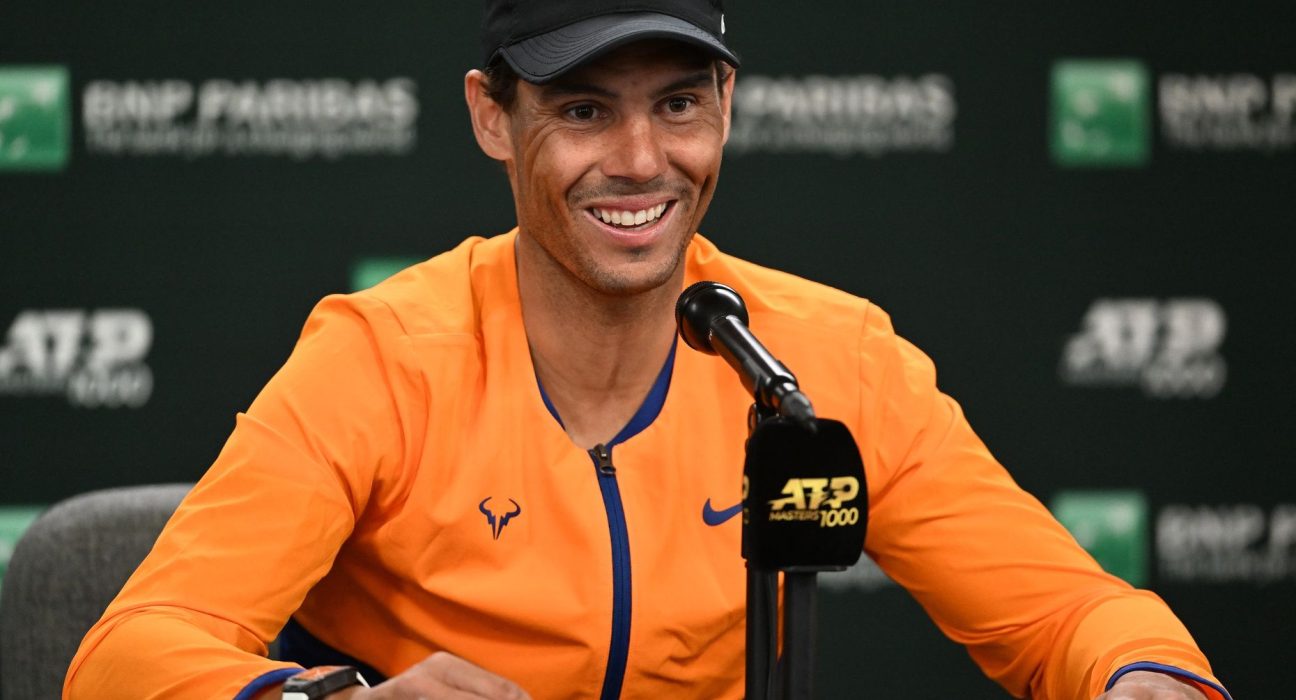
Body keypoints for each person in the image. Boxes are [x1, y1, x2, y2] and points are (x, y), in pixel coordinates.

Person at [65, 2, 1231, 699]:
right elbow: (129, 655)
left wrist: (1143, 676)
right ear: (490, 115)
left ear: (726, 102)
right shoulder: (382, 357)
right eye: (581, 109)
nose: (638, 159)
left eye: (678, 104)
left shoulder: (826, 357)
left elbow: (1069, 615)